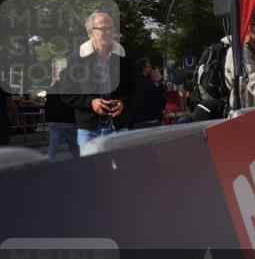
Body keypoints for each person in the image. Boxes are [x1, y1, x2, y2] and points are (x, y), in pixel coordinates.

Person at [59, 12, 137, 154]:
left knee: (121, 168)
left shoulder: (125, 57)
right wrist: (91, 102)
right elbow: (66, 92)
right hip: (88, 131)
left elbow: (136, 91)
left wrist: (123, 103)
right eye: (103, 29)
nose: (108, 32)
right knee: (91, 168)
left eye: (111, 28)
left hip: (119, 128)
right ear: (90, 32)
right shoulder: (77, 58)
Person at [44, 75, 79, 159]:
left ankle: (47, 163)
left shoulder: (51, 90)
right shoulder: (70, 89)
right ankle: (80, 162)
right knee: (74, 146)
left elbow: (47, 105)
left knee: (53, 147)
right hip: (68, 120)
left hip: (54, 121)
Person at [131, 59, 168, 129]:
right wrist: (160, 83)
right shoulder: (150, 84)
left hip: (137, 122)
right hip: (153, 122)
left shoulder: (133, 83)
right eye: (149, 66)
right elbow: (162, 101)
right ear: (144, 68)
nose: (151, 69)